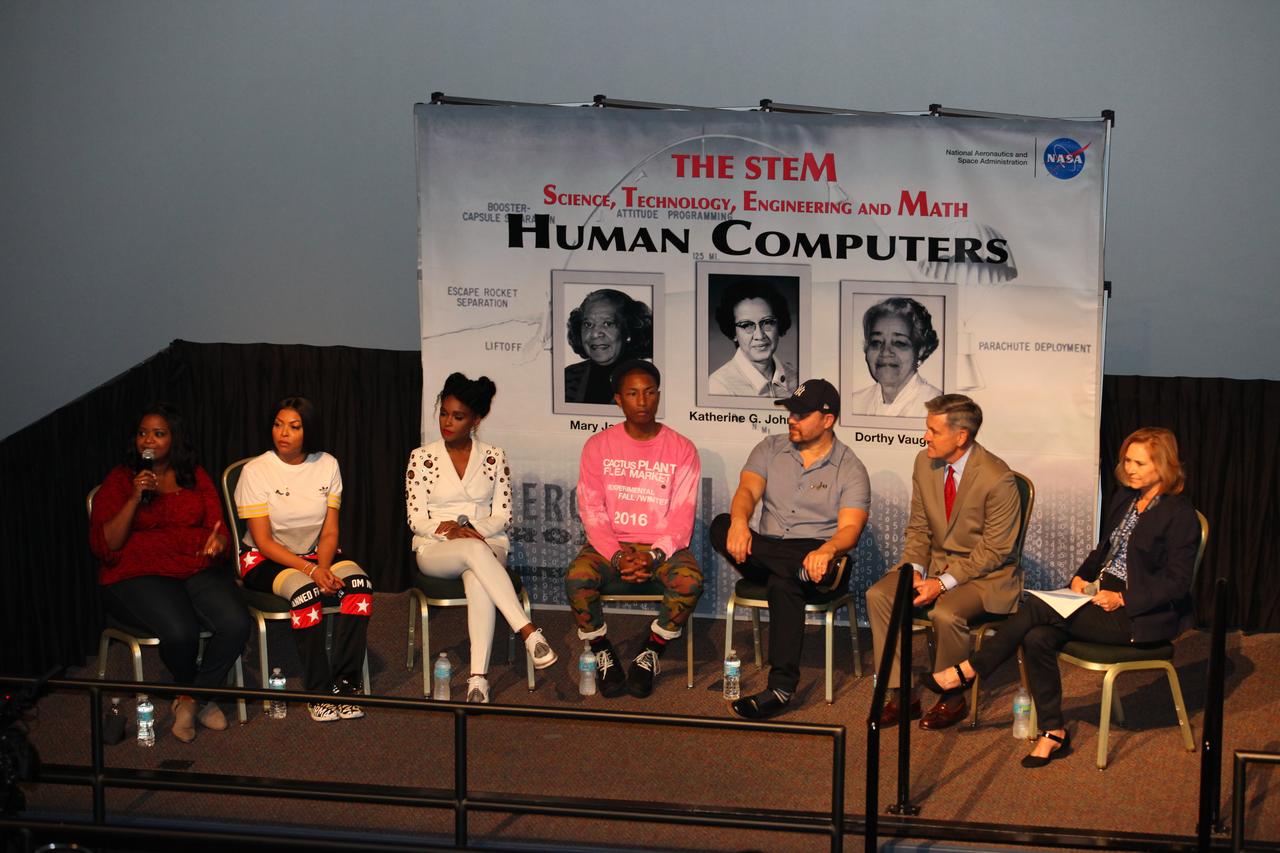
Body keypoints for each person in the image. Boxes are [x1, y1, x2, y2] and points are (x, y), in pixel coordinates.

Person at [922, 427, 1198, 766]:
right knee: (1037, 637)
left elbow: (1177, 583)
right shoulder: (1126, 498)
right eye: (1127, 460)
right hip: (1099, 599)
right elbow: (1103, 551)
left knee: (1038, 606)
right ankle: (1053, 731)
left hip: (1137, 616)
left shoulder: (1179, 514)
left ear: (1164, 465)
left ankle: (970, 670)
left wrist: (1124, 599)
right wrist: (1080, 576)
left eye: (1140, 463)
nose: (1130, 469)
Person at [89, 403, 251, 743]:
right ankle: (199, 695)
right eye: (142, 433)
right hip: (138, 571)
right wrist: (135, 497)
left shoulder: (195, 475)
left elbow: (218, 528)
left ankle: (191, 699)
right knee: (181, 633)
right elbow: (108, 543)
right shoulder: (120, 480)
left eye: (158, 433)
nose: (148, 440)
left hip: (194, 563)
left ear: (174, 439)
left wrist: (219, 542)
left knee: (236, 623)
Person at [711, 379, 870, 719]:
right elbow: (747, 491)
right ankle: (796, 567)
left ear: (827, 420)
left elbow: (850, 530)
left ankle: (780, 690)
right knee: (721, 524)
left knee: (784, 583)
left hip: (818, 554)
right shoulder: (769, 448)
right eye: (790, 412)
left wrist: (828, 551)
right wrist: (739, 522)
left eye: (801, 414)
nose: (791, 419)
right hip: (768, 551)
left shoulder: (850, 467)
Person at [865, 394, 1022, 730]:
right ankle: (900, 694)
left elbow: (996, 550)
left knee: (946, 613)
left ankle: (953, 697)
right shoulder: (925, 463)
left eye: (934, 431)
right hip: (935, 566)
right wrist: (914, 569)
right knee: (879, 595)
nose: (926, 437)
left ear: (961, 436)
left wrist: (941, 584)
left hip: (986, 577)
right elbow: (919, 527)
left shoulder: (997, 478)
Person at [406, 373, 558, 703]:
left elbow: (503, 515)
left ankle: (478, 680)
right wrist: (448, 529)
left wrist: (474, 531)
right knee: (474, 554)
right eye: (443, 413)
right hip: (436, 548)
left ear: (476, 420)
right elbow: (415, 518)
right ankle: (527, 631)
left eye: (457, 416)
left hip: (488, 542)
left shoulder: (493, 456)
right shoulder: (421, 457)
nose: (447, 422)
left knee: (477, 574)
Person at [565, 359, 702, 698]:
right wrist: (617, 556)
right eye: (632, 393)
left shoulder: (682, 449)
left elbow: (682, 518)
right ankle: (601, 649)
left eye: (650, 392)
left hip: (661, 548)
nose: (642, 401)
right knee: (577, 578)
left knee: (689, 581)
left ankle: (651, 651)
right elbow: (592, 512)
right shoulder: (597, 446)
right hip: (611, 546)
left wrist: (653, 556)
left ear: (658, 396)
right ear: (618, 399)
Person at [234, 396, 373, 723]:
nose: (283, 433)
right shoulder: (256, 471)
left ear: (308, 431)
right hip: (264, 558)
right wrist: (311, 571)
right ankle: (319, 692)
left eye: (294, 427)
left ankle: (347, 685)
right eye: (278, 425)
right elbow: (264, 542)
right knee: (306, 594)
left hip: (316, 552)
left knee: (359, 586)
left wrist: (322, 566)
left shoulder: (327, 464)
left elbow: (330, 531)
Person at [848, 297, 942, 417]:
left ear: (920, 350)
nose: (885, 352)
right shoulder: (853, 404)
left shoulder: (938, 408)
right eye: (876, 342)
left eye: (899, 343)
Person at [707, 277, 798, 398]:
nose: (759, 335)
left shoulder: (796, 377)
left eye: (767, 322)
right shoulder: (719, 386)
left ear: (779, 324)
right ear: (734, 333)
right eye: (746, 325)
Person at [563, 288, 654, 404]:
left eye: (608, 324)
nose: (594, 334)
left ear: (628, 330)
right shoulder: (567, 377)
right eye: (588, 324)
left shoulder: (647, 380)